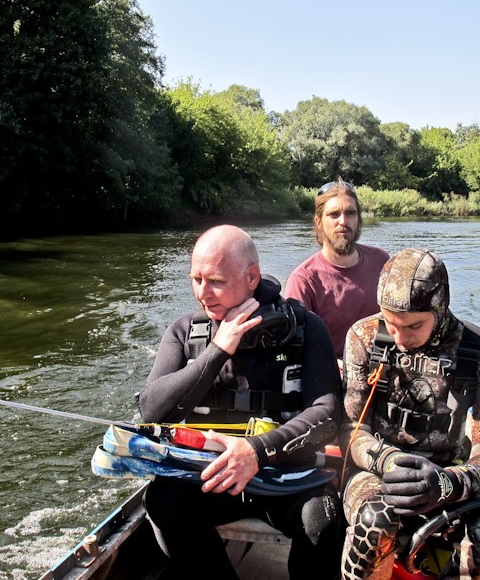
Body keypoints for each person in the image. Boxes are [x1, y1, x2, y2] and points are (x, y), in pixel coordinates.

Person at [139, 224, 344, 580]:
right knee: (161, 502)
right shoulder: (184, 332)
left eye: (215, 281)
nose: (203, 293)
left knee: (323, 522)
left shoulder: (307, 328)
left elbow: (327, 414)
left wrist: (255, 452)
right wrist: (218, 351)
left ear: (252, 277)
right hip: (208, 477)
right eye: (196, 279)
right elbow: (151, 410)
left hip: (284, 473)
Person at [339, 248, 480, 580]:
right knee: (376, 524)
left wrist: (448, 483)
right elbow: (351, 428)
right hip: (376, 473)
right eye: (391, 324)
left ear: (440, 308)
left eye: (414, 326)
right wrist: (389, 462)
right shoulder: (364, 337)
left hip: (449, 477)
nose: (401, 339)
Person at [284, 180, 390, 365]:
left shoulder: (381, 261)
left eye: (350, 213)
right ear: (318, 222)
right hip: (333, 373)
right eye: (334, 214)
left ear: (358, 219)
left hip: (383, 367)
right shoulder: (303, 280)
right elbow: (296, 349)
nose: (343, 221)